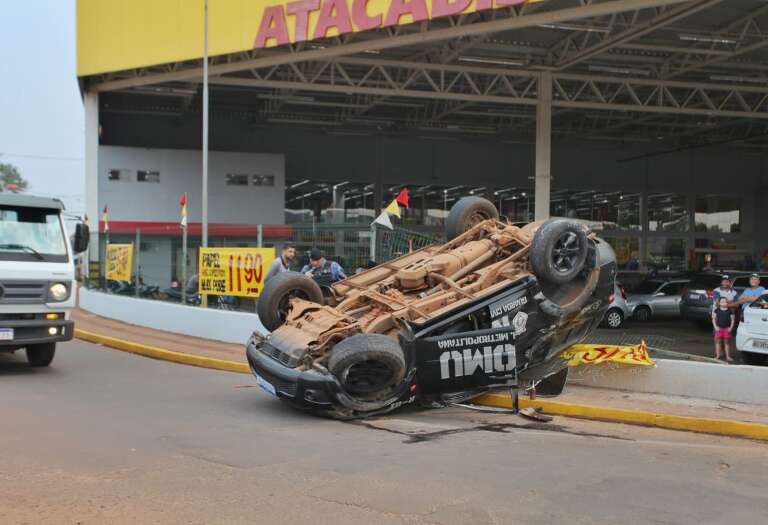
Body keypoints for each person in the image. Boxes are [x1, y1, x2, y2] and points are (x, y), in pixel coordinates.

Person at [712, 297, 735, 362]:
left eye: (725, 302)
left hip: (727, 329)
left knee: (726, 342)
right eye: (722, 302)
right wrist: (715, 327)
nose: (724, 303)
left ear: (727, 303)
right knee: (718, 342)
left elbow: (733, 320)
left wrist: (731, 328)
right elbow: (713, 319)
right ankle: (717, 355)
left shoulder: (730, 310)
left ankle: (728, 356)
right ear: (719, 303)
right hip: (719, 328)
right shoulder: (717, 310)